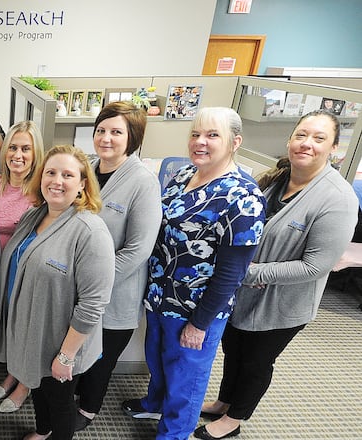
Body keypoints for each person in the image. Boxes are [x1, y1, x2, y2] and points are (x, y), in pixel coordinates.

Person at [195, 110, 358, 440]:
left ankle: (235, 418)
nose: (306, 144)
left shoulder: (337, 198)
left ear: (335, 148)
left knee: (256, 361)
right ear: (290, 140)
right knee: (235, 349)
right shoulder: (274, 180)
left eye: (319, 138)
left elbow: (316, 266)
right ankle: (226, 400)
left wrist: (248, 271)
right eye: (301, 135)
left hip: (282, 304)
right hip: (245, 292)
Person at [121, 107, 267, 440]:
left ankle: (173, 433)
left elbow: (232, 272)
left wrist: (200, 322)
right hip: (160, 296)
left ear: (234, 142)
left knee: (186, 379)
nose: (200, 142)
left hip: (196, 308)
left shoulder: (243, 197)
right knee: (158, 362)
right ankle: (154, 402)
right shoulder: (184, 173)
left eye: (212, 135)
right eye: (196, 134)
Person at [0, 144, 114, 440]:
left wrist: (66, 356)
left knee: (59, 403)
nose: (57, 181)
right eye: (51, 172)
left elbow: (92, 305)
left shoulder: (90, 231)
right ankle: (42, 432)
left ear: (82, 183)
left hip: (62, 342)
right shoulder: (36, 216)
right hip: (34, 334)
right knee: (40, 392)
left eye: (67, 175)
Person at [74, 102, 162, 431]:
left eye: (116, 132)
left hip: (116, 292)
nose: (106, 138)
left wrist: (96, 283)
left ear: (133, 137)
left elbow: (139, 248)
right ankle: (78, 396)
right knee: (80, 347)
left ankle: (88, 410)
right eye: (101, 130)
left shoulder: (142, 182)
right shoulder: (90, 169)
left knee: (101, 358)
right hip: (81, 285)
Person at [0, 120, 44, 413]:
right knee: (8, 325)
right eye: (13, 148)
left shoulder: (42, 191)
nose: (18, 155)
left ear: (36, 153)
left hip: (24, 273)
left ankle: (24, 385)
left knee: (26, 327)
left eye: (26, 149)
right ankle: (12, 372)